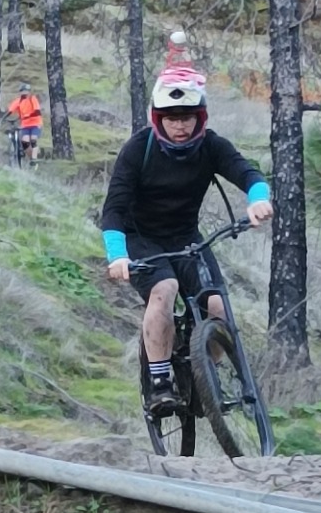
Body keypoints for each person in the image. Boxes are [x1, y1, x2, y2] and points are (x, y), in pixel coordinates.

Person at [100, 32, 273, 414]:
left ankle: (202, 379)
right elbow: (113, 209)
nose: (180, 126)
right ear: (159, 119)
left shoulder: (211, 146)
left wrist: (259, 200)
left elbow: (247, 172)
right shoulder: (137, 150)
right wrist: (117, 255)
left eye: (188, 118)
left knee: (219, 310)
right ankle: (160, 381)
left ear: (200, 118)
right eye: (173, 119)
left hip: (186, 238)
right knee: (164, 288)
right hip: (140, 238)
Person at [6, 82, 42, 163]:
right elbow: (10, 110)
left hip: (35, 123)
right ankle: (31, 158)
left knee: (33, 140)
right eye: (23, 91)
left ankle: (35, 157)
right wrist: (2, 118)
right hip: (25, 125)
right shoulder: (18, 101)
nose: (25, 93)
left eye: (26, 91)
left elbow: (37, 112)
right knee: (25, 143)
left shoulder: (32, 99)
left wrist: (28, 115)